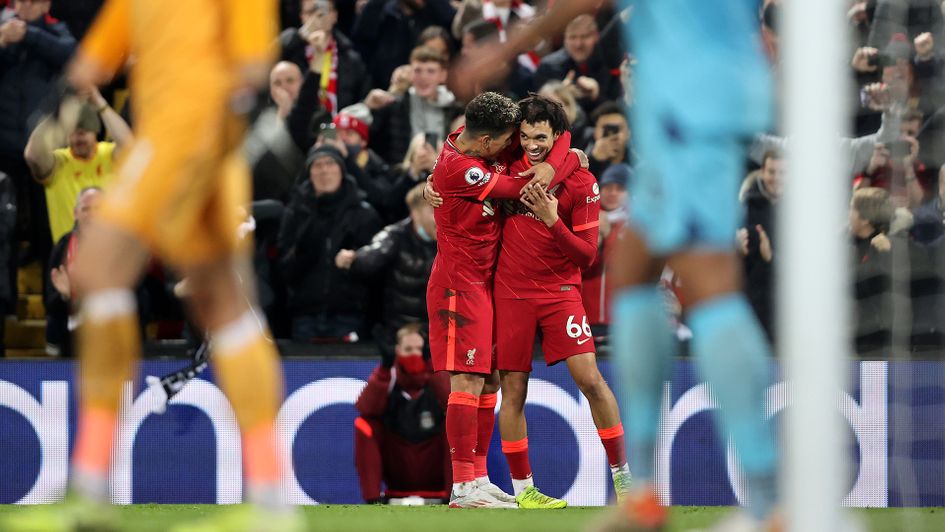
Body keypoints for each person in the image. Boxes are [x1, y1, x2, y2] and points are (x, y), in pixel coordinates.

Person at [450, 1, 782, 528]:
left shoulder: (576, 175)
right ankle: (641, 494)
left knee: (708, 282)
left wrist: (509, 47)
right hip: (681, 105)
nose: (531, 144)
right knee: (633, 271)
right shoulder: (536, 157)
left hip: (696, 106)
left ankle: (768, 500)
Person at [2, 1, 304, 530]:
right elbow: (94, 58)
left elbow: (252, 63)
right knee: (226, 309)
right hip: (195, 143)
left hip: (185, 135)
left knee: (97, 271)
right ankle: (271, 502)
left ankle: (91, 488)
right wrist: (59, 101)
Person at [424, 91, 579, 508]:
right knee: (467, 381)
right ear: (487, 141)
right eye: (510, 139)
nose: (517, 144)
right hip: (458, 287)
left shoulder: (474, 140)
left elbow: (561, 135)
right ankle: (462, 487)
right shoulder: (460, 168)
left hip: (484, 286)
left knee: (489, 379)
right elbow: (524, 186)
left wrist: (561, 155)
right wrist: (566, 163)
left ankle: (478, 477)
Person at [490, 95, 630, 508]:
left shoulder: (582, 183)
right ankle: (524, 491)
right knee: (513, 390)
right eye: (526, 136)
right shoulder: (506, 164)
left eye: (541, 137)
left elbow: (587, 256)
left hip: (560, 293)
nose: (532, 145)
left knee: (591, 380)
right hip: (511, 293)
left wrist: (552, 220)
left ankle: (624, 479)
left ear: (556, 137)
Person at [277, 145, 383, 342]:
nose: (324, 170)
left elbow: (377, 267)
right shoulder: (296, 213)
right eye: (317, 165)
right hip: (304, 315)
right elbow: (284, 267)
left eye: (330, 163)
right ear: (309, 173)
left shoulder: (363, 213)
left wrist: (356, 260)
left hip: (350, 315)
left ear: (341, 170)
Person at [335, 183, 438, 365]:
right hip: (401, 335)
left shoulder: (455, 238)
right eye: (432, 210)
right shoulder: (395, 235)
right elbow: (371, 256)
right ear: (415, 213)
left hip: (441, 335)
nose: (439, 216)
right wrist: (354, 259)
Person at [354, 323, 452, 503]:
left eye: (419, 349)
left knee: (456, 424)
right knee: (364, 425)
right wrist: (384, 368)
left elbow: (451, 403)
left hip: (434, 465)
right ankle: (372, 499)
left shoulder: (435, 377)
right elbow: (366, 409)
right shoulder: (388, 376)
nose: (414, 354)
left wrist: (432, 364)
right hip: (397, 466)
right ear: (397, 350)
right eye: (408, 349)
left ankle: (454, 495)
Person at [24, 87, 133, 243]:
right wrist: (55, 112)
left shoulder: (109, 154)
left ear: (95, 132)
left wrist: (100, 103)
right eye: (74, 133)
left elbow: (129, 146)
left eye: (84, 132)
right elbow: (32, 155)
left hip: (110, 247)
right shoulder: (59, 162)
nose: (78, 138)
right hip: (70, 251)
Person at [366, 46, 462, 165]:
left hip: (444, 170)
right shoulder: (394, 106)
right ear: (410, 73)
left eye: (431, 71)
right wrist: (368, 107)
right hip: (401, 172)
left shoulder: (456, 110)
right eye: (417, 71)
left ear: (443, 75)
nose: (423, 77)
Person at [45, 186, 103, 357]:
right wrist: (64, 296)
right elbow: (49, 302)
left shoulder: (122, 247)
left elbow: (140, 301)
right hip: (71, 338)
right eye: (85, 209)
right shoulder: (62, 247)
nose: (92, 215)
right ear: (75, 213)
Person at [351, 0, 456, 89]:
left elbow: (454, 25)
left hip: (434, 89)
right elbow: (360, 44)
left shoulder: (437, 14)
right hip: (385, 89)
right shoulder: (380, 11)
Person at [532, 15, 623, 115]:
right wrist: (561, 94)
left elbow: (618, 111)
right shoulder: (548, 67)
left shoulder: (610, 63)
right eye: (572, 37)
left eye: (585, 37)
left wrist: (596, 96)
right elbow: (540, 112)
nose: (578, 44)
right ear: (565, 39)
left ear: (596, 36)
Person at [738, 150, 784, 340]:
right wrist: (738, 250)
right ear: (762, 173)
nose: (777, 178)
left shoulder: (801, 212)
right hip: (754, 302)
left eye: (782, 172)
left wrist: (771, 257)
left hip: (787, 305)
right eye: (771, 172)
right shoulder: (746, 206)